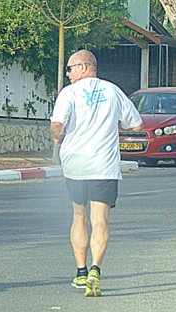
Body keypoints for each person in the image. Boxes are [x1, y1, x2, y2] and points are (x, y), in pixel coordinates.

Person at [50, 50, 142, 297]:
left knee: (79, 216)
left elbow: (57, 124)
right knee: (100, 219)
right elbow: (136, 123)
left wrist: (58, 138)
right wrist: (115, 124)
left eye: (69, 69)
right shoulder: (112, 91)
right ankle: (95, 270)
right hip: (104, 164)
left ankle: (80, 272)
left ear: (82, 66)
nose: (67, 74)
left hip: (75, 164)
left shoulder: (68, 94)